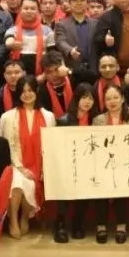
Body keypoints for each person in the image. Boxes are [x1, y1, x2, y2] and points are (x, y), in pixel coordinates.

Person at [0, 76, 56, 239]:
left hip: (40, 166)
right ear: (18, 94)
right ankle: (13, 221)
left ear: (37, 91)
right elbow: (7, 146)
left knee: (29, 181)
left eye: (30, 90)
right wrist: (19, 167)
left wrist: (44, 168)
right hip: (15, 164)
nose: (27, 94)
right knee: (18, 181)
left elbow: (50, 145)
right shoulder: (8, 116)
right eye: (23, 91)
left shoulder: (48, 116)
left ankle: (25, 217)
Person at [91, 84, 129, 244]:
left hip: (126, 163)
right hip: (104, 163)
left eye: (115, 97)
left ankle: (121, 226)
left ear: (123, 98)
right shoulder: (98, 120)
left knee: (121, 183)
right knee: (100, 185)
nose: (112, 101)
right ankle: (101, 226)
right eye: (108, 99)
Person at [52, 84, 97, 243]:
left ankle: (78, 222)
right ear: (76, 99)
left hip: (89, 164)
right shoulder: (64, 120)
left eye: (90, 98)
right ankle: (60, 224)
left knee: (85, 189)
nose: (87, 102)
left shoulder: (96, 120)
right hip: (68, 163)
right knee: (64, 187)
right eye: (84, 97)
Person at [4, 0, 56, 77]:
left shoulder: (47, 31)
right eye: (26, 8)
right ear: (20, 10)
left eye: (32, 9)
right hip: (17, 78)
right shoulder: (13, 30)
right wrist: (10, 44)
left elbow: (52, 57)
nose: (29, 11)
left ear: (38, 11)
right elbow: (8, 40)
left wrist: (44, 76)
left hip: (41, 77)